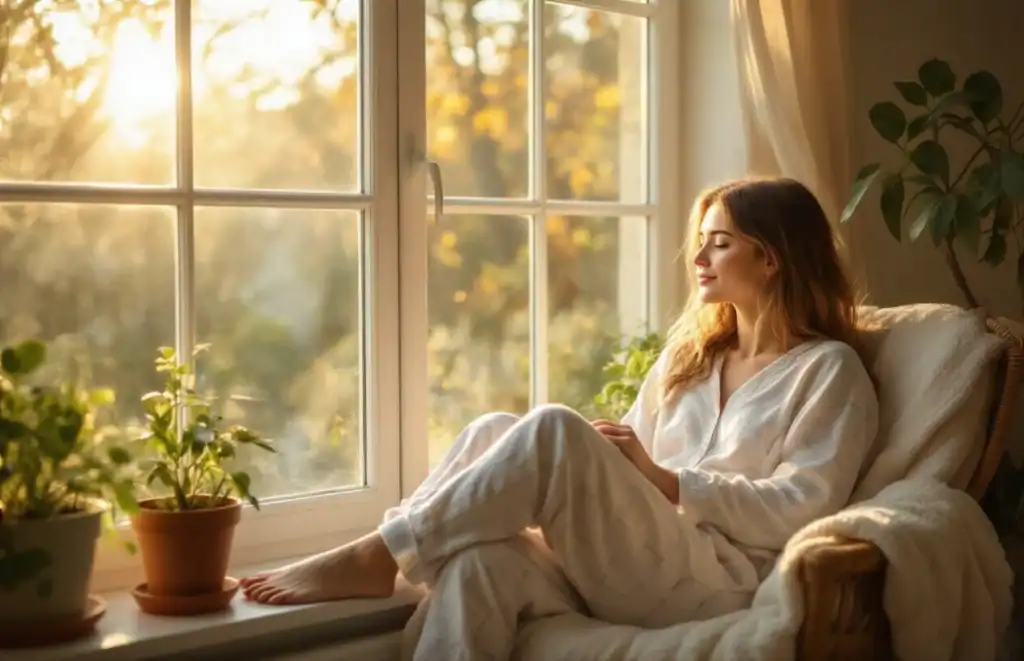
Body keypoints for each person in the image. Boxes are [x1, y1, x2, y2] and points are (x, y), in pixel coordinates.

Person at [240, 177, 880, 660]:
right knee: (482, 540)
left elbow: (802, 507)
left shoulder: (828, 371)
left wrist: (668, 482)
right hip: (630, 563)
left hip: (715, 579)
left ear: (771, 259)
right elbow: (631, 461)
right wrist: (610, 459)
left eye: (720, 243)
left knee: (551, 427)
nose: (699, 259)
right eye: (700, 243)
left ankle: (381, 553)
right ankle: (396, 548)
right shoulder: (692, 359)